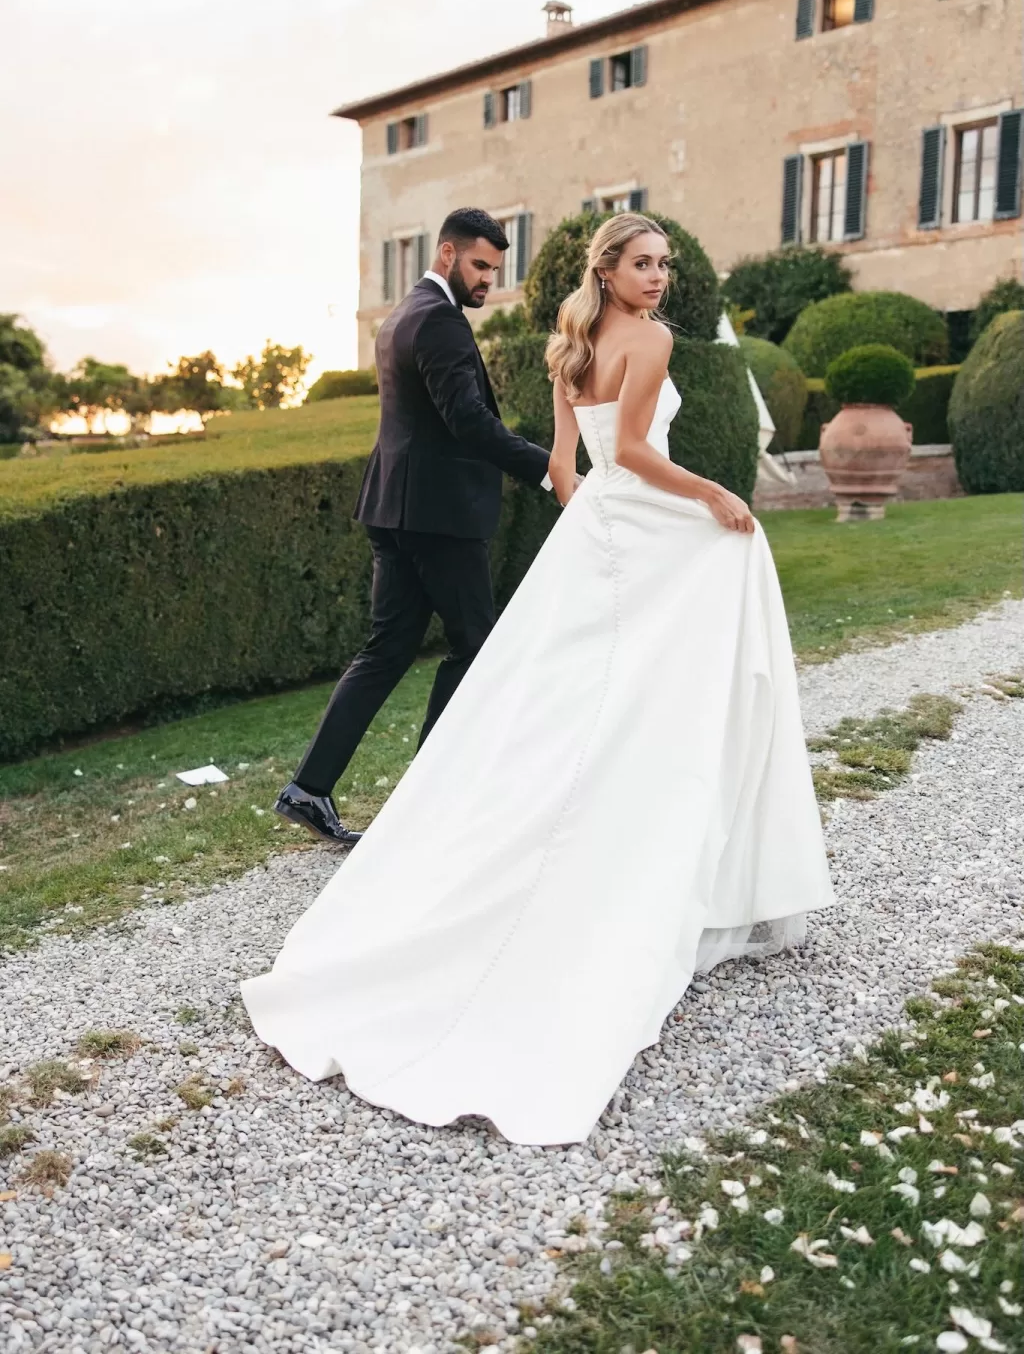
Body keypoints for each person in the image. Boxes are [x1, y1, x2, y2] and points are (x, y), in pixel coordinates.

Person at [242, 212, 835, 1146]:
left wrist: (597, 526)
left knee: (554, 690)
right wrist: (714, 494)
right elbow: (637, 453)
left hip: (593, 526)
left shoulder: (572, 346)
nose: (659, 278)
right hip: (628, 514)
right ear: (608, 269)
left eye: (666, 265)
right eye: (644, 264)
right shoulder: (648, 340)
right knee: (708, 599)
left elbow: (571, 471)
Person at [274, 208, 555, 846]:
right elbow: (470, 425)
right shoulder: (440, 323)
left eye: (495, 268)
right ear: (449, 253)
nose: (489, 280)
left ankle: (308, 789)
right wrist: (551, 470)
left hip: (392, 512)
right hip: (439, 519)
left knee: (386, 650)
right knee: (476, 648)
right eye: (481, 266)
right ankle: (427, 799)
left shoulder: (401, 316)